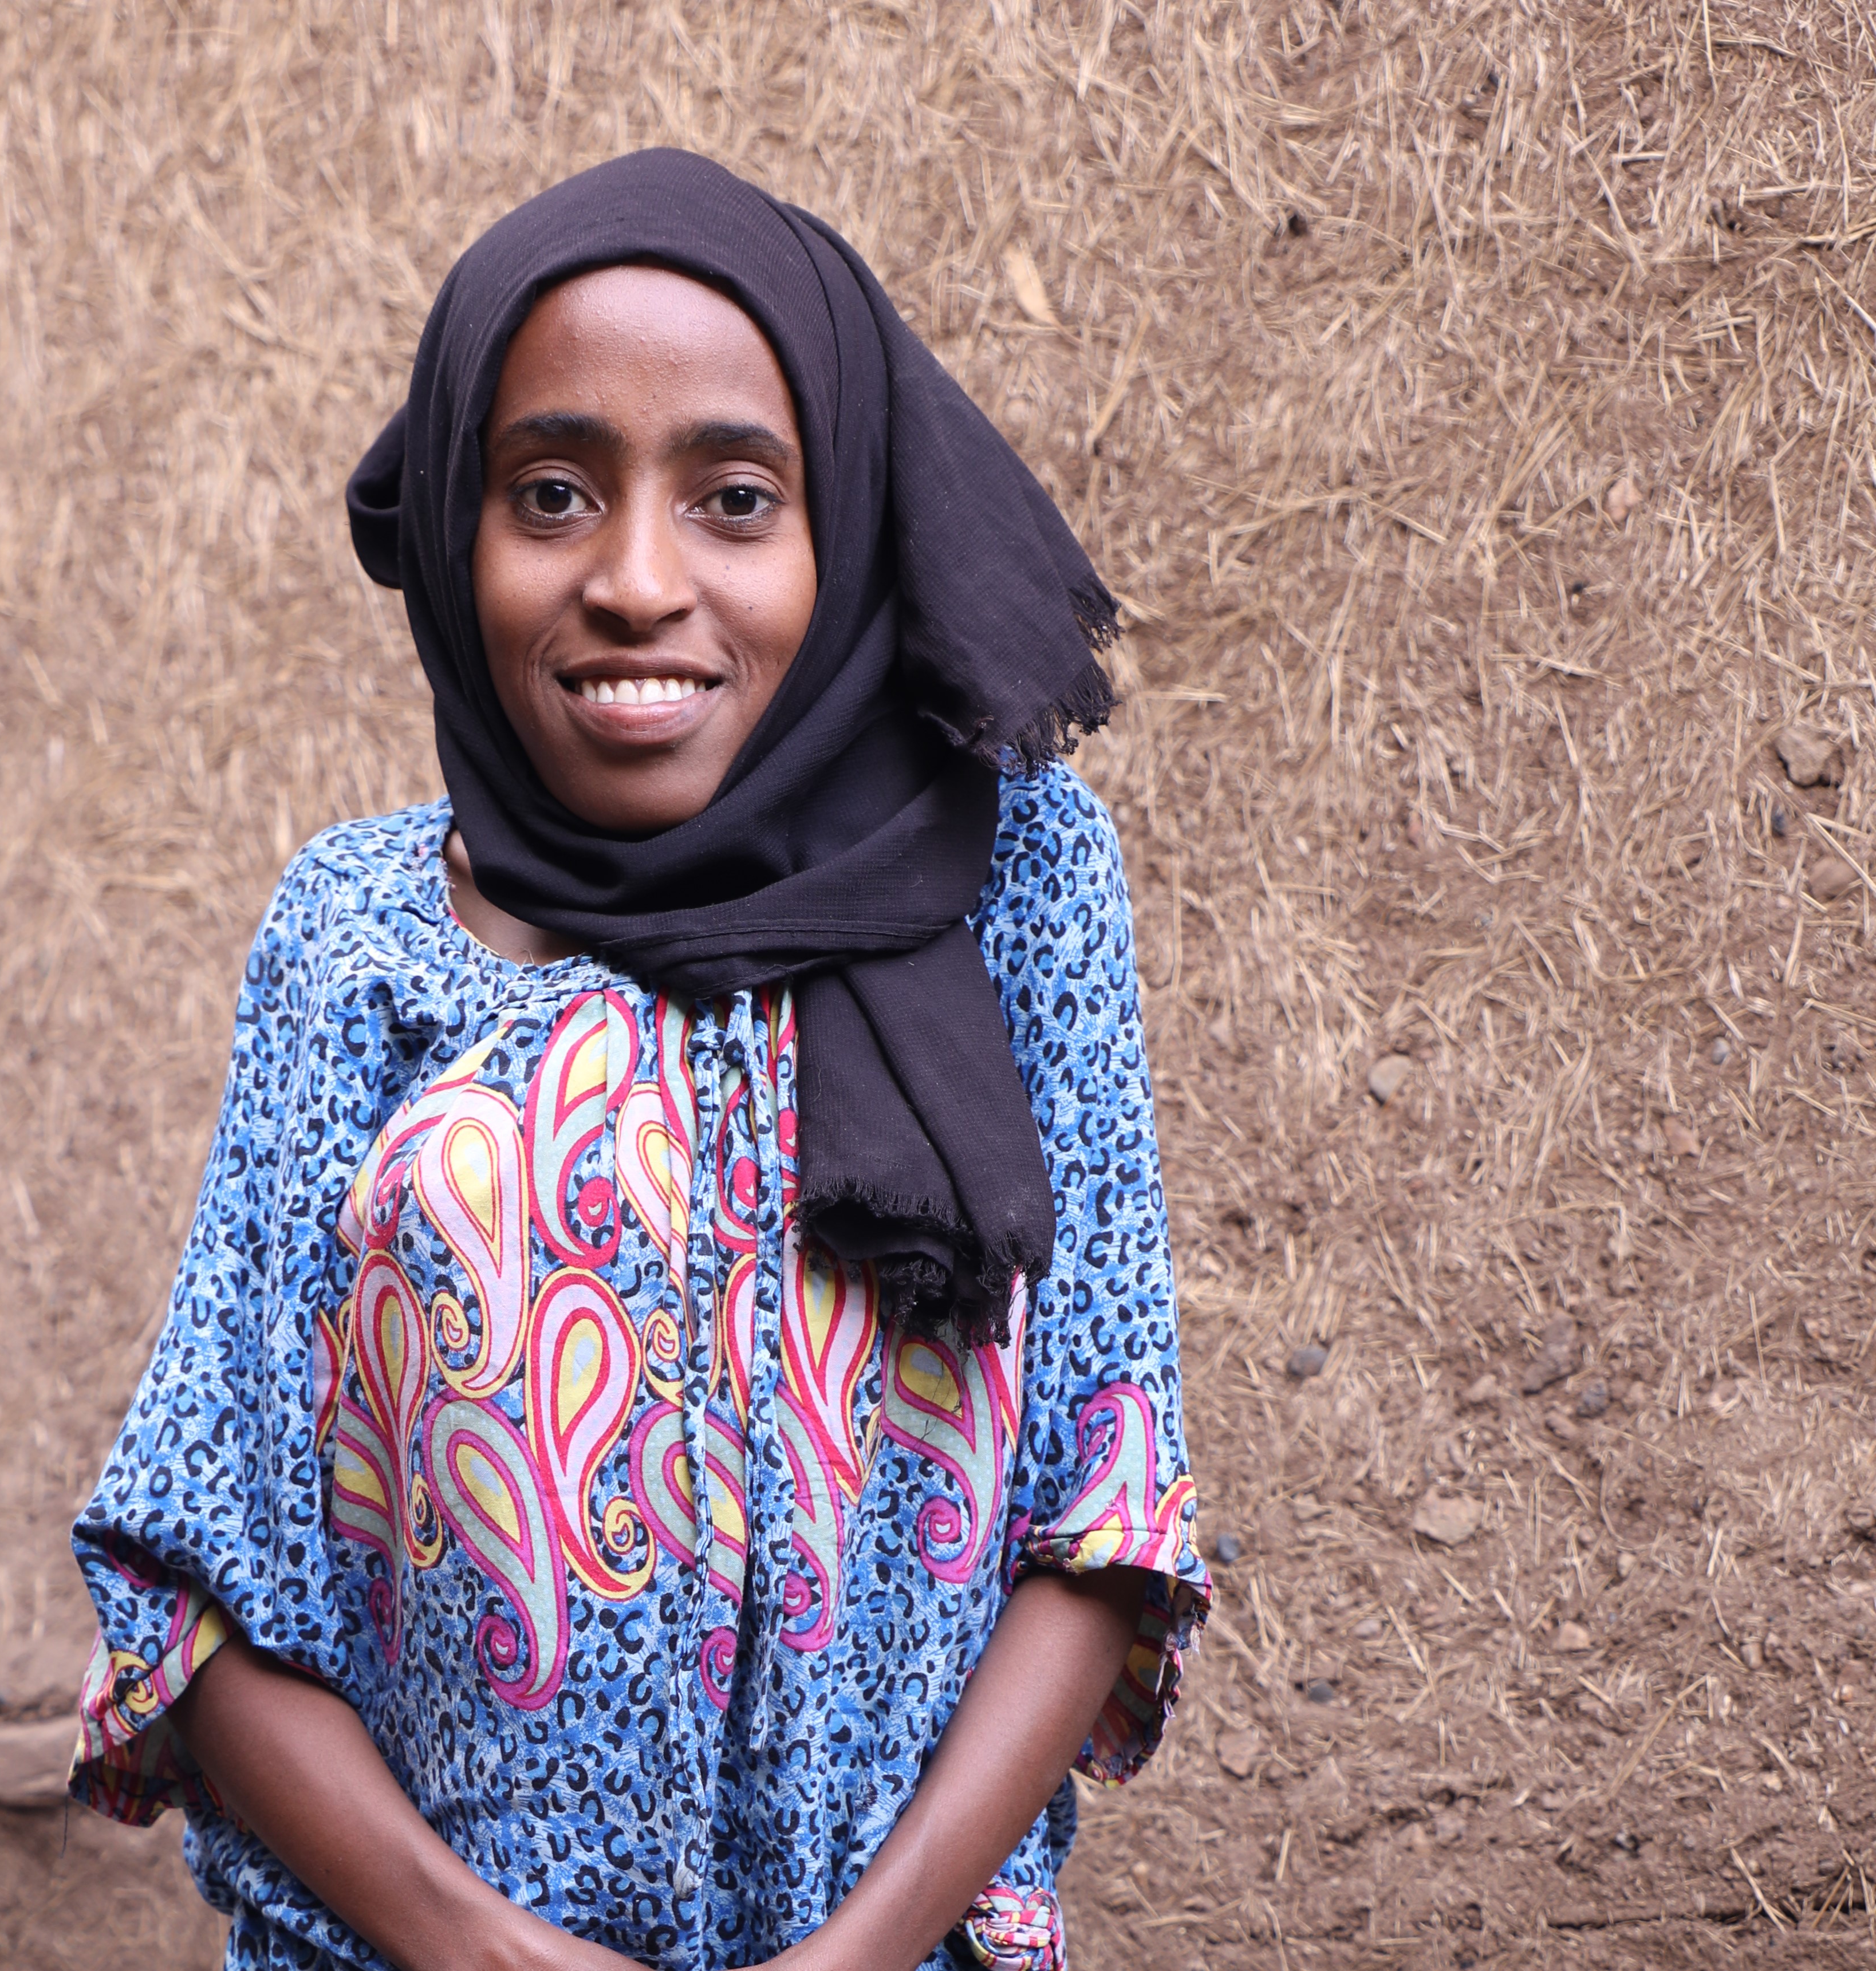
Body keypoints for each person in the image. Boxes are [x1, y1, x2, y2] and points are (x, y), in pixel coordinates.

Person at [68, 149, 1208, 1971]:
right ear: (460, 530)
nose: (636, 580)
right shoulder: (356, 931)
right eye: (552, 493)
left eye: (737, 497)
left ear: (843, 535)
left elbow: (1105, 1507)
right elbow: (204, 1586)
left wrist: (851, 1958)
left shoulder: (1016, 884)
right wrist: (478, 1947)